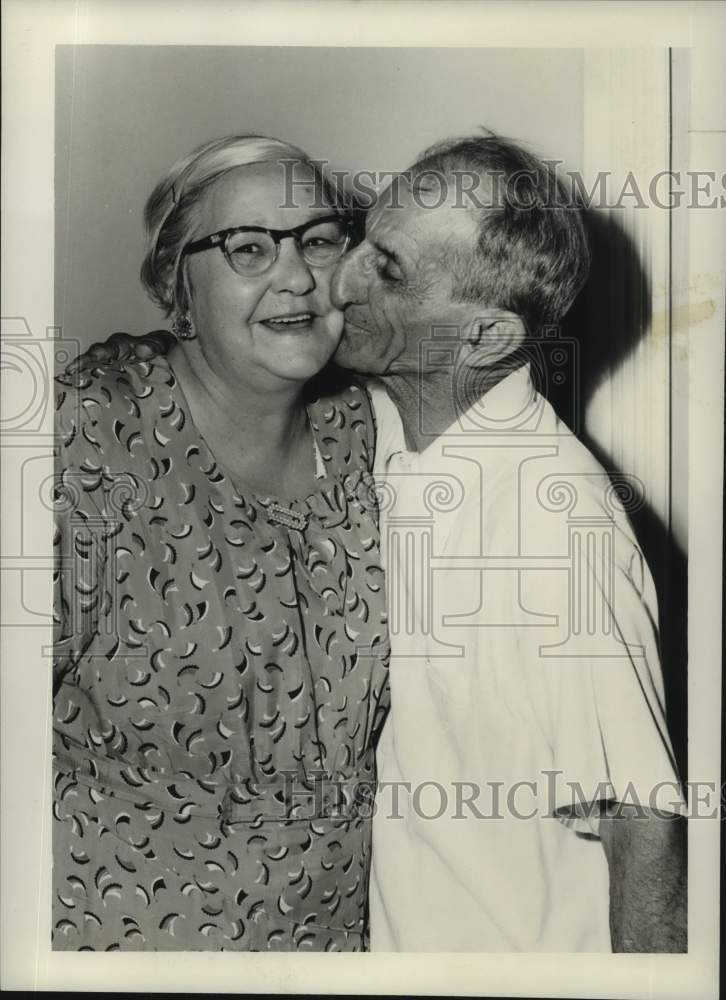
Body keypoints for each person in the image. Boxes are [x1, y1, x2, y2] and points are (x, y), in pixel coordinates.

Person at [71, 132, 687, 953]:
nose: (338, 278)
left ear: (485, 341)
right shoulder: (373, 425)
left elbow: (645, 825)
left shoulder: (558, 521)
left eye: (386, 270)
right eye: (360, 239)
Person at [52, 134, 390, 952]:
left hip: (341, 941)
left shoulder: (370, 431)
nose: (297, 276)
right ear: (178, 288)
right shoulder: (89, 435)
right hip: (122, 942)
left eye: (318, 240)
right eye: (248, 248)